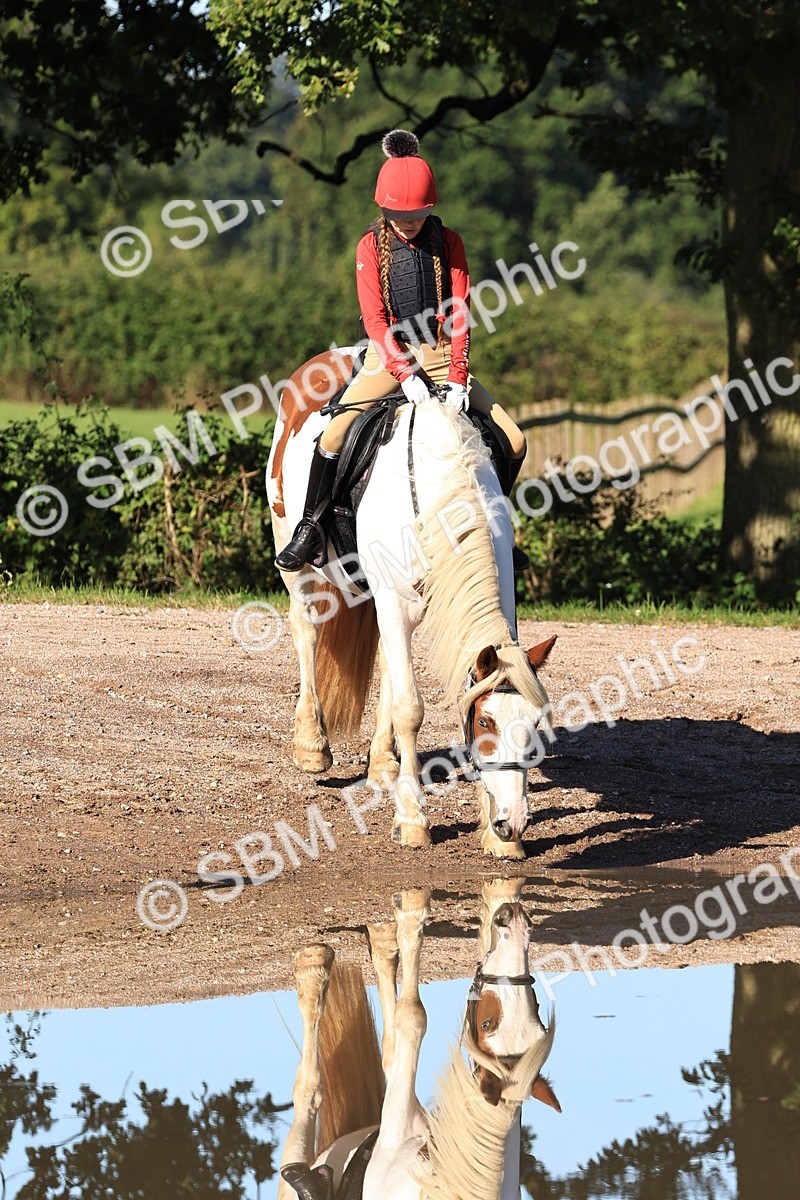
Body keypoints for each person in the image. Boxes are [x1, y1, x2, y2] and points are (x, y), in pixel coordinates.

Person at [275, 128, 528, 572]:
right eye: (397, 213)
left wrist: (456, 375)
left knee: (514, 438)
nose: (407, 221)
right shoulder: (369, 247)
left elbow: (460, 312)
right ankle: (311, 528)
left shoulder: (450, 243)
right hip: (387, 358)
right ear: (382, 206)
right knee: (332, 436)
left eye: (416, 213)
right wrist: (405, 373)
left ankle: (496, 528)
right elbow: (374, 321)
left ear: (430, 208)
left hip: (443, 353)